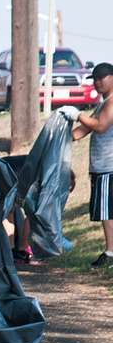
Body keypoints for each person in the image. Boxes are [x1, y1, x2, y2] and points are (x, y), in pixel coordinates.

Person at [69, 62, 113, 268]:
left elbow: (101, 126)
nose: (97, 82)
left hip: (109, 166)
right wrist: (61, 133)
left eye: (101, 77)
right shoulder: (102, 105)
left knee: (107, 212)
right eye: (94, 78)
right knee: (106, 211)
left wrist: (77, 114)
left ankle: (110, 253)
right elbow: (82, 132)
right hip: (101, 166)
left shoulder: (112, 102)